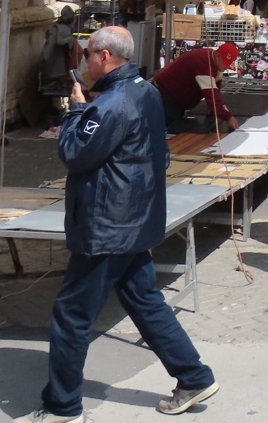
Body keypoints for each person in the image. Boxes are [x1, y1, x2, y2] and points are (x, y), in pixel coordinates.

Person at [22, 26, 218, 421]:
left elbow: (75, 153)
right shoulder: (146, 92)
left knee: (72, 315)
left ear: (104, 57)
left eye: (88, 55)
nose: (84, 63)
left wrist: (76, 110)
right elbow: (155, 153)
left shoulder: (110, 104)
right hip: (135, 219)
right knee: (144, 300)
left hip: (108, 226)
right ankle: (193, 375)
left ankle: (62, 406)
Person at [151, 43, 240, 132]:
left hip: (175, 97)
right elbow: (212, 95)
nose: (225, 67)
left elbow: (216, 87)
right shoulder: (204, 63)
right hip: (165, 94)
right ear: (218, 56)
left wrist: (214, 110)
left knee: (176, 128)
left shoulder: (215, 64)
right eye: (225, 63)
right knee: (170, 129)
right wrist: (228, 117)